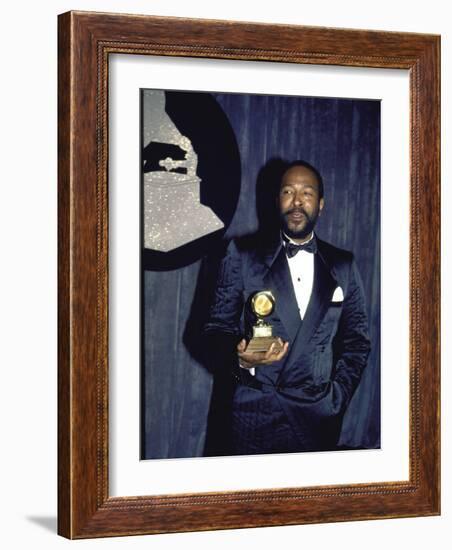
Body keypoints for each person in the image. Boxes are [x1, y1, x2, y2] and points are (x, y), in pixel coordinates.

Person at [203, 160, 371, 455]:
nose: (297, 201)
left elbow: (357, 342)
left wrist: (337, 396)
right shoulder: (242, 254)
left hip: (316, 419)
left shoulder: (343, 264)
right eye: (287, 192)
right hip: (251, 416)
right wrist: (240, 359)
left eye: (307, 193)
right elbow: (216, 329)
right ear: (276, 201)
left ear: (321, 204)